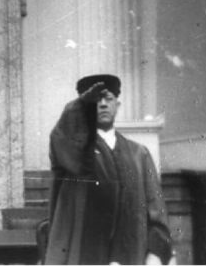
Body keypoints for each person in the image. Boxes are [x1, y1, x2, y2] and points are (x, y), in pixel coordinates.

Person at [44, 74, 172, 265]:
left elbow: (156, 209)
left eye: (109, 98)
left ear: (117, 105)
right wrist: (80, 106)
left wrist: (155, 252)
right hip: (83, 255)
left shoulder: (139, 154)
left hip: (130, 255)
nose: (103, 104)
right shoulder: (74, 152)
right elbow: (61, 135)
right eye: (96, 100)